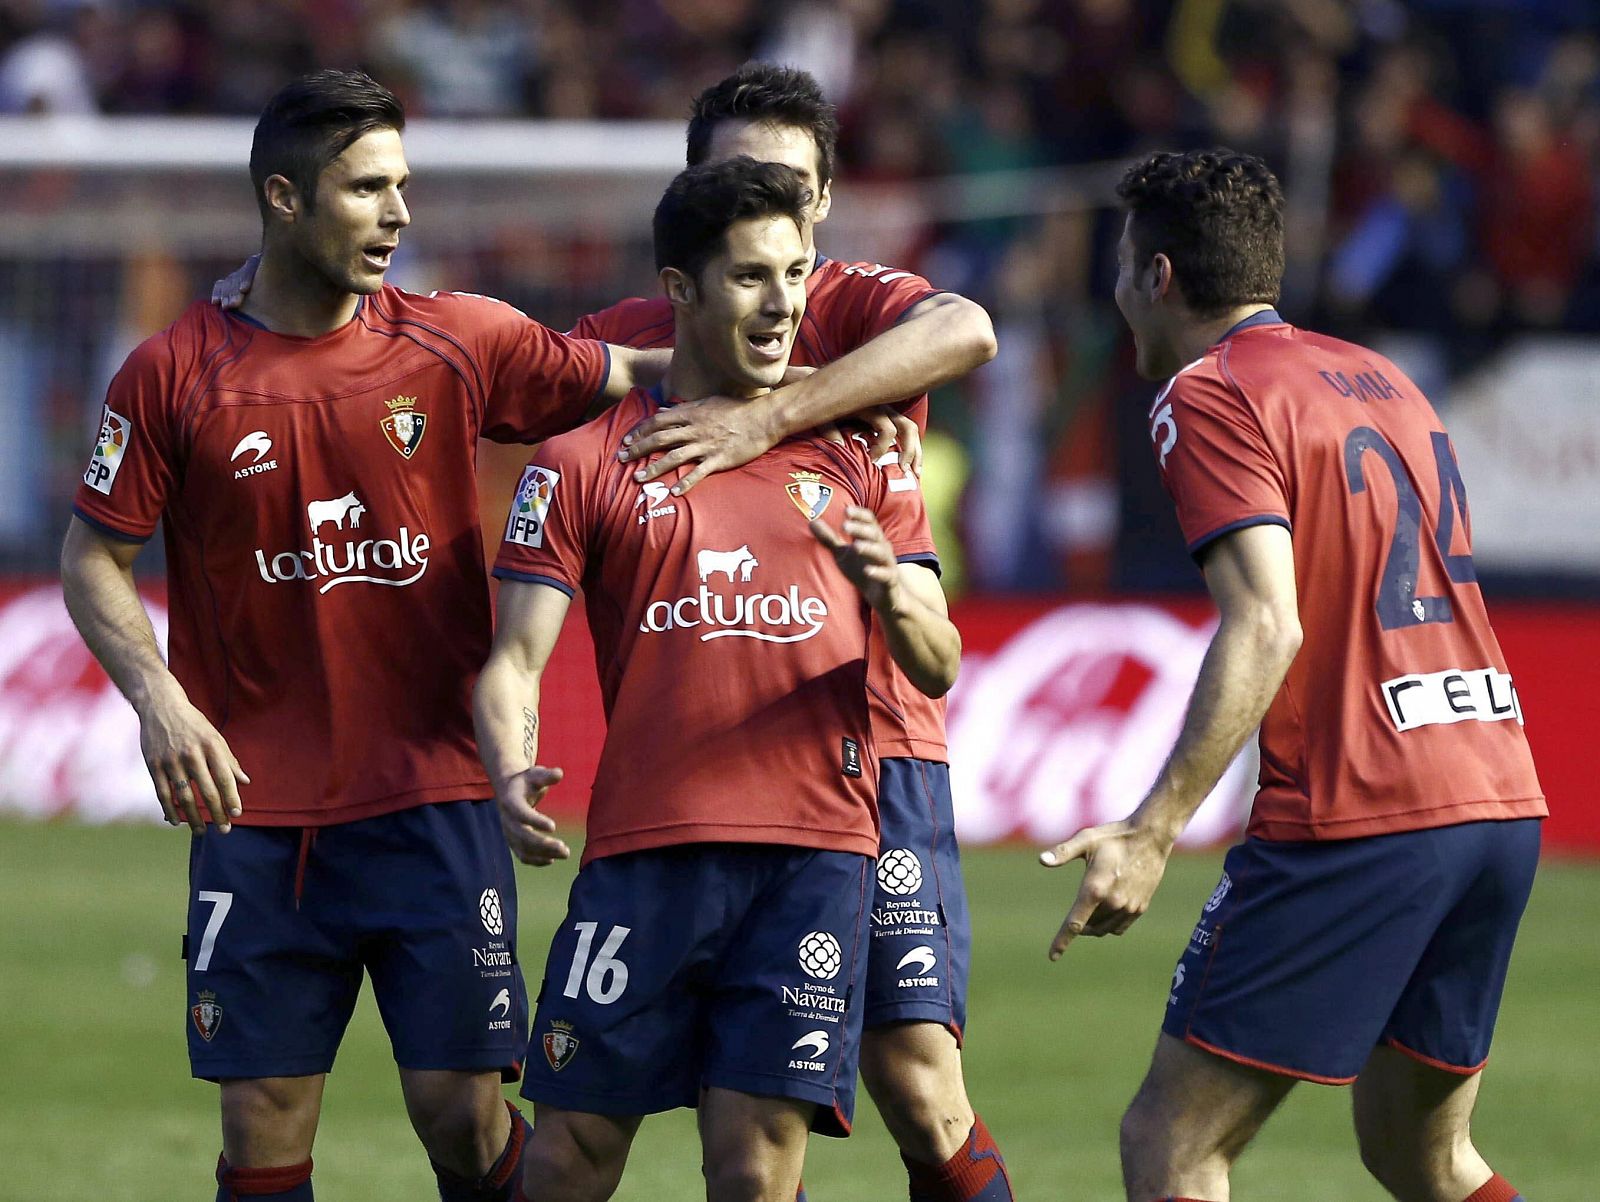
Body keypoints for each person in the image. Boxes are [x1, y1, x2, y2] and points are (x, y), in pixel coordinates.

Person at [59, 69, 671, 1202]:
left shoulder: (457, 342)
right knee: (264, 1114)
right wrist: (159, 697)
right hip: (257, 804)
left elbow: (632, 369)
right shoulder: (171, 375)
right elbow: (92, 554)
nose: (397, 213)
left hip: (429, 795)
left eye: (402, 185)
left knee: (459, 1107)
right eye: (364, 189)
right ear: (284, 199)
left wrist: (804, 365)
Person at [1040, 148, 1545, 1202]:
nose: (1119, 291)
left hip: (1362, 804)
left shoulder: (1209, 393)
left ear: (1161, 277)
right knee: (1422, 1154)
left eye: (1125, 268)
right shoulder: (1380, 374)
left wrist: (1149, 828)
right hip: (1493, 789)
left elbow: (1267, 620)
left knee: (1170, 1143)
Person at [474, 156, 962, 1202]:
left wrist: (894, 592)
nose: (783, 302)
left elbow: (939, 658)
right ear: (681, 289)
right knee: (567, 1156)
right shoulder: (584, 456)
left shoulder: (862, 448)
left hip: (813, 858)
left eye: (794, 272)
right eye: (749, 276)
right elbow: (516, 655)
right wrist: (510, 768)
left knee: (754, 1166)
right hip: (647, 854)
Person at [574, 63, 1013, 1202]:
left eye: (790, 185)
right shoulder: (643, 328)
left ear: (822, 204)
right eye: (735, 177)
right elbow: (487, 375)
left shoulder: (855, 304)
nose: (766, 198)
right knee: (740, 1133)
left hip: (877, 729)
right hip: (711, 763)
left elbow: (966, 329)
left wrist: (764, 413)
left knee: (918, 1079)